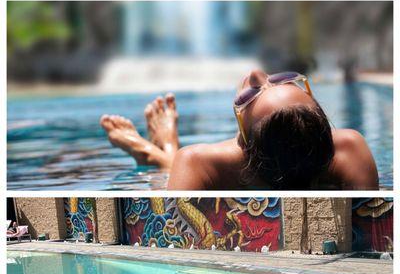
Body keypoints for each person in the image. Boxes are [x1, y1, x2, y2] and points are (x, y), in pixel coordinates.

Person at [100, 69, 379, 190]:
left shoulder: (198, 161)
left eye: (251, 97)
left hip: (190, 164)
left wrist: (173, 155)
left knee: (169, 169)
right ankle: (164, 150)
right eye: (285, 80)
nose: (258, 74)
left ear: (242, 142)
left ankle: (155, 153)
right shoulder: (350, 148)